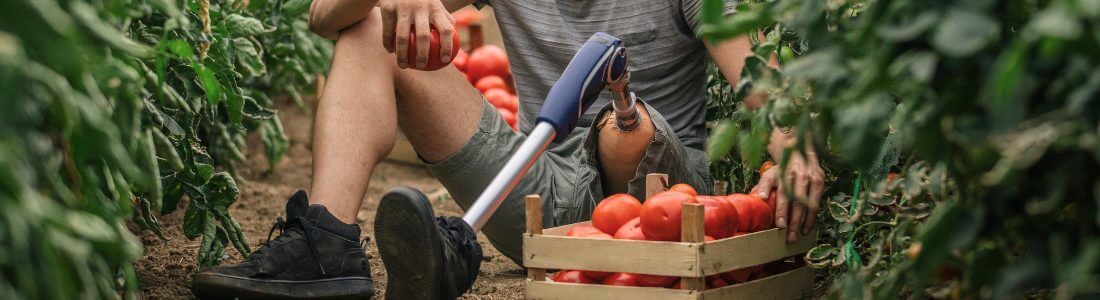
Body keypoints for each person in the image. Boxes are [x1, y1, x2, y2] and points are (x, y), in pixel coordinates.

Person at [190, 0, 825, 298]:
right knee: (369, 26)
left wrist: (793, 152)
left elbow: (761, 83)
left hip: (657, 200)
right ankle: (324, 244)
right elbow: (324, 16)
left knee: (622, 125)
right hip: (535, 190)